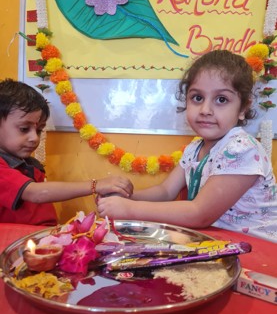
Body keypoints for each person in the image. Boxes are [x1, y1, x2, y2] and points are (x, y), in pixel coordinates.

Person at [97, 50, 277, 242]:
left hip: (257, 249)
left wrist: (128, 209)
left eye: (221, 100)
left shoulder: (242, 149)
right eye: (197, 98)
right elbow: (166, 191)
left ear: (243, 109)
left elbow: (199, 213)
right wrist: (125, 199)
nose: (205, 110)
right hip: (217, 241)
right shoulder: (194, 149)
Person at [0, 79, 133, 225]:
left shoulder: (28, 163)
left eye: (39, 130)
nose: (34, 138)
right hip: (12, 242)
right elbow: (36, 193)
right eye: (24, 129)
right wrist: (96, 185)